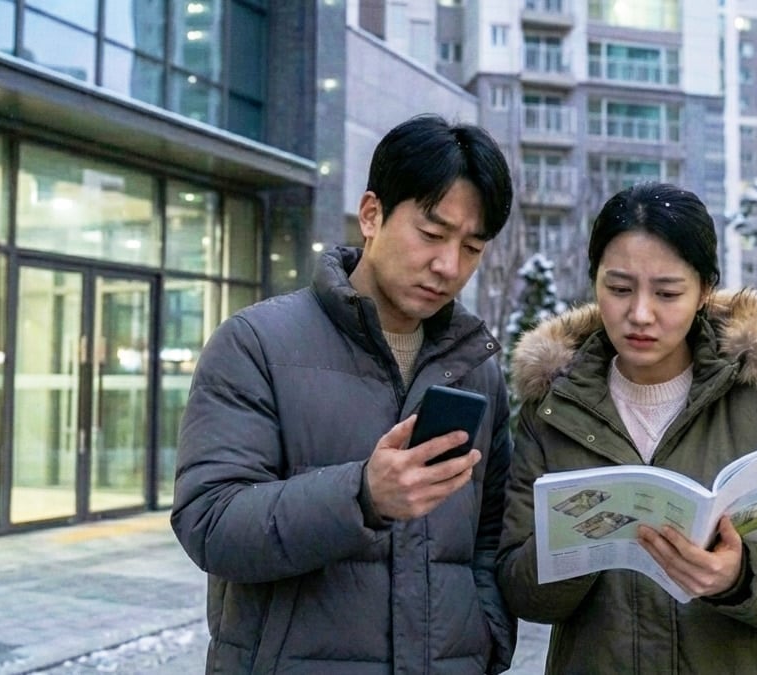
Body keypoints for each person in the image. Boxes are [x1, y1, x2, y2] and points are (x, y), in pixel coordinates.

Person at [172, 114, 516, 673]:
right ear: (372, 214)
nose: (448, 265)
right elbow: (209, 522)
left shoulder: (476, 368)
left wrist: (486, 642)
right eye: (431, 234)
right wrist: (362, 496)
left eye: (472, 247)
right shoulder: (257, 343)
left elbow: (488, 540)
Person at [498, 182, 757, 674]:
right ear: (594, 281)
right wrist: (578, 546)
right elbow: (518, 588)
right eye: (619, 289)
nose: (640, 314)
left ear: (705, 290)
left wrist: (739, 574)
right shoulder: (553, 406)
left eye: (667, 293)